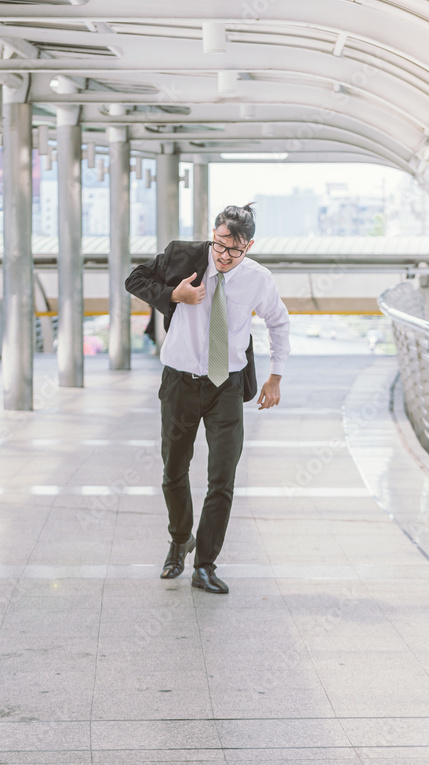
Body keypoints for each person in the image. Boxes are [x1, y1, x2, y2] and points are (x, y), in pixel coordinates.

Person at [125, 204, 290, 594]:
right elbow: (134, 279)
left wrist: (275, 377)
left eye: (233, 250)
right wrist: (173, 295)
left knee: (223, 478)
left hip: (226, 387)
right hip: (180, 382)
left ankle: (205, 565)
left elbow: (278, 322)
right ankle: (180, 538)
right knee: (174, 471)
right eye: (219, 245)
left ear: (249, 246)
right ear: (212, 235)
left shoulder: (258, 280)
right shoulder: (184, 255)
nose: (223, 255)